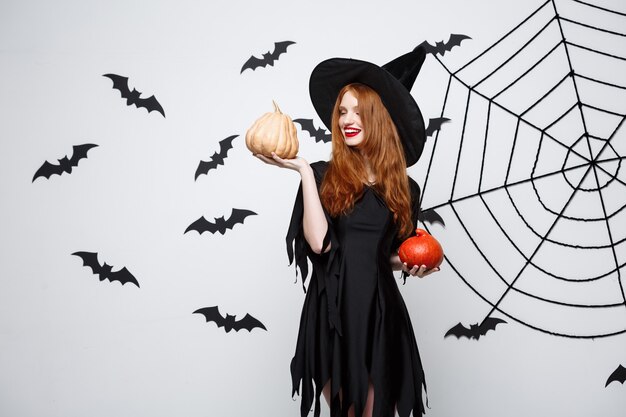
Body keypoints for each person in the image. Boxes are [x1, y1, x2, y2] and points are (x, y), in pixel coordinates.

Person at [256, 46, 439, 417]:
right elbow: (321, 246)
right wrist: (305, 171)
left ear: (381, 119)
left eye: (359, 111)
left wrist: (411, 265)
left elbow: (390, 254)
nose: (346, 120)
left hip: (381, 312)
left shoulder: (406, 189)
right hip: (332, 315)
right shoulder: (323, 176)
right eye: (342, 111)